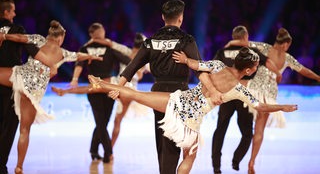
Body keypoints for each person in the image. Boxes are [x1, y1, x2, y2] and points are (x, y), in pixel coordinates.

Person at [87, 47, 297, 174]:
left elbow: (195, 65)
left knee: (136, 94)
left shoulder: (216, 64)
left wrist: (185, 60)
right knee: (189, 157)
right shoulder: (239, 89)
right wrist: (283, 107)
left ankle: (101, 84)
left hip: (179, 100)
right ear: (250, 70)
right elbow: (261, 106)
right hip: (191, 119)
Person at [0, 20, 102, 174]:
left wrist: (4, 36)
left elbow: (20, 38)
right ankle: (19, 167)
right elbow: (78, 56)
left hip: (21, 77)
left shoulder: (38, 39)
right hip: (34, 91)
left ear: (49, 35)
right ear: (60, 38)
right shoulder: (63, 53)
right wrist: (92, 56)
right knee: (24, 131)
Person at [113, 0, 202, 174]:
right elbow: (199, 69)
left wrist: (118, 88)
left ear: (163, 17)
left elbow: (131, 68)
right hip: (180, 96)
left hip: (157, 95)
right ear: (180, 18)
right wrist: (209, 91)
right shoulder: (186, 40)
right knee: (174, 144)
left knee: (163, 143)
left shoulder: (150, 42)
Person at [226, 28, 320, 174]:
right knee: (259, 130)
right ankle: (252, 162)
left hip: (252, 92)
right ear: (286, 44)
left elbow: (243, 43)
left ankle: (241, 156)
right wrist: (318, 78)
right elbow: (304, 70)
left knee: (246, 127)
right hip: (268, 98)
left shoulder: (263, 47)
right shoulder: (287, 58)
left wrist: (230, 43)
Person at [51, 22, 131, 163]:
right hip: (101, 86)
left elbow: (79, 64)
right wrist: (122, 77)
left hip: (102, 87)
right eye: (101, 32)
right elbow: (128, 59)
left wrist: (75, 79)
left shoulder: (89, 47)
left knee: (102, 123)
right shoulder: (104, 47)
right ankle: (108, 153)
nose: (103, 34)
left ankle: (94, 150)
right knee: (101, 123)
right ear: (97, 33)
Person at [211, 25, 281, 174]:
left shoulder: (223, 51)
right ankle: (236, 160)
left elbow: (214, 68)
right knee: (247, 133)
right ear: (245, 37)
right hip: (243, 94)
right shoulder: (251, 52)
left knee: (220, 130)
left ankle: (216, 166)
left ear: (233, 37)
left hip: (226, 95)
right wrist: (278, 74)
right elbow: (269, 63)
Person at [0, 0, 39, 174]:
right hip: (10, 84)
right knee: (9, 127)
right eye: (13, 10)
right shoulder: (17, 30)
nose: (15, 13)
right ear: (6, 12)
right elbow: (32, 49)